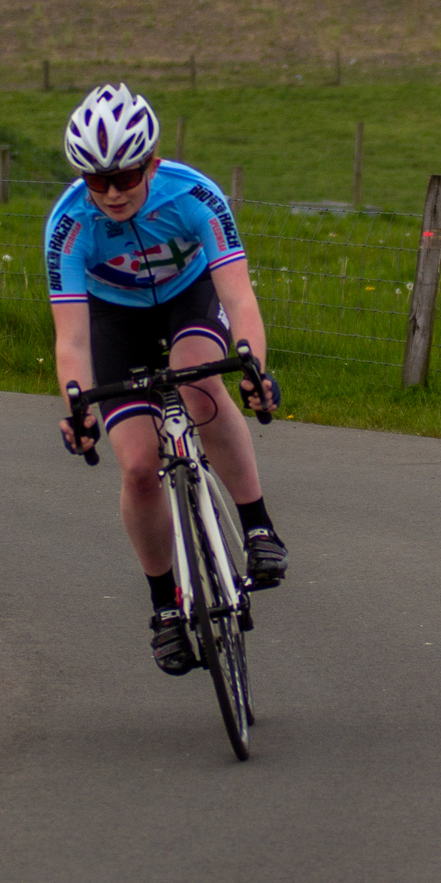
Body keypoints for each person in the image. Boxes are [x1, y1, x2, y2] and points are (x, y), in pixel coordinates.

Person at [46, 82, 288, 676]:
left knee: (199, 384)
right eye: (97, 180)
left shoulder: (194, 195)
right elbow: (72, 339)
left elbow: (240, 296)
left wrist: (253, 365)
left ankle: (257, 525)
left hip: (190, 298)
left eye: (126, 176)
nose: (113, 193)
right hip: (113, 319)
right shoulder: (68, 225)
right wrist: (77, 410)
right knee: (136, 466)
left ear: (151, 163)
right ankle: (165, 609)